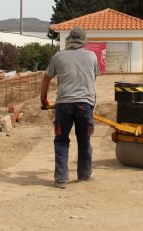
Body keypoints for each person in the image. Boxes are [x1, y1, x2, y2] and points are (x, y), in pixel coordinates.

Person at [39, 26, 99, 189]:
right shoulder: (92, 56)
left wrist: (44, 99)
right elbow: (93, 80)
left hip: (63, 105)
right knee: (84, 140)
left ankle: (61, 179)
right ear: (83, 41)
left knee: (61, 140)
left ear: (70, 40)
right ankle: (85, 174)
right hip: (85, 105)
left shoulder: (58, 56)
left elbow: (46, 79)